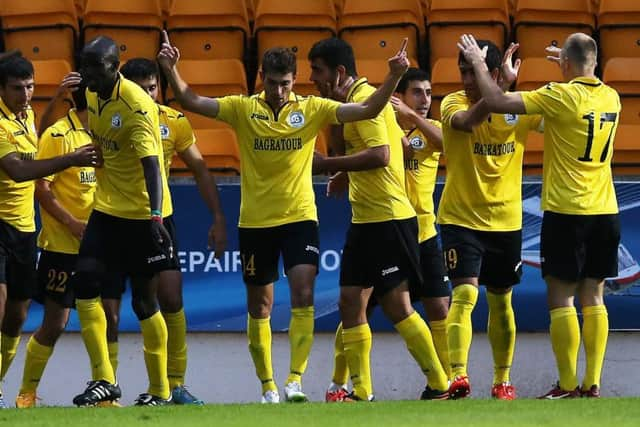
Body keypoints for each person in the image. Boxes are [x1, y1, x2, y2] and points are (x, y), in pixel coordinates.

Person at [158, 30, 409, 403]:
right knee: (259, 305)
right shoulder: (244, 109)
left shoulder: (311, 109)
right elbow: (191, 99)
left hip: (299, 218)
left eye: (286, 84)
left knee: (303, 292)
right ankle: (268, 386)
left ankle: (294, 380)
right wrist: (170, 69)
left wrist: (394, 77)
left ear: (295, 82)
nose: (279, 91)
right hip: (256, 222)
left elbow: (368, 109)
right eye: (273, 83)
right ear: (262, 78)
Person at [458, 32, 620, 399]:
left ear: (565, 64)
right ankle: (592, 383)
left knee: (562, 299)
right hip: (606, 211)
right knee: (594, 297)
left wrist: (482, 65)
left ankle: (566, 384)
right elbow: (582, 70)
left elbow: (497, 100)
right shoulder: (612, 96)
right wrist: (568, 61)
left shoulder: (559, 96)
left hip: (568, 212)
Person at [310, 38, 449, 402]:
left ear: (338, 72)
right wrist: (346, 172)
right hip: (366, 217)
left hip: (388, 218)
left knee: (396, 306)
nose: (313, 78)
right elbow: (400, 147)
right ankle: (363, 392)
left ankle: (439, 383)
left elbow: (383, 154)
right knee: (349, 301)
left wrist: (330, 165)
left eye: (317, 70)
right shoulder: (359, 100)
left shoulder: (363, 99)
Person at [91, 57, 226, 405]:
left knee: (169, 297)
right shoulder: (117, 111)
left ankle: (174, 384)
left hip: (156, 219)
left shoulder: (173, 122)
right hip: (116, 217)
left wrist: (217, 217)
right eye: (142, 88)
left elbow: (198, 167)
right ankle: (108, 387)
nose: (148, 94)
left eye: (153, 87)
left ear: (160, 89)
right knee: (112, 306)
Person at [71, 36, 175, 407]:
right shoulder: (92, 91)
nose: (86, 74)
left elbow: (152, 166)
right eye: (84, 66)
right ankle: (104, 379)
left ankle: (160, 390)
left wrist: (155, 215)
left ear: (114, 67)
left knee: (144, 303)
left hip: (139, 215)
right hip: (106, 209)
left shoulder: (137, 106)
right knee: (83, 283)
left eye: (93, 68)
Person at [436, 40, 543, 400]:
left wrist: (505, 89)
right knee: (464, 294)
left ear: (493, 73)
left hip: (506, 221)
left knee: (500, 302)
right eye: (463, 71)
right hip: (460, 218)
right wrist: (500, 89)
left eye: (473, 70)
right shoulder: (452, 103)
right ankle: (458, 375)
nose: (466, 78)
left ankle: (502, 380)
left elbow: (559, 121)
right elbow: (467, 121)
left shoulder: (519, 108)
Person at [14, 73, 123, 408]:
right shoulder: (59, 135)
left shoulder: (111, 133)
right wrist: (72, 223)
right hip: (63, 244)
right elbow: (41, 187)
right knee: (55, 323)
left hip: (103, 243)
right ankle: (26, 393)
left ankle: (105, 391)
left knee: (110, 317)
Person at [0, 53, 99, 408]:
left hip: (24, 228)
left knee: (18, 316)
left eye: (30, 87)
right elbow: (17, 170)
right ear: (2, 89)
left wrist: (54, 101)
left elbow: (36, 142)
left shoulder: (25, 115)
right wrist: (71, 159)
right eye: (17, 88)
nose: (25, 94)